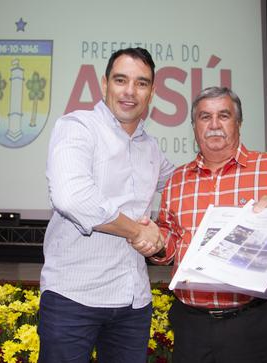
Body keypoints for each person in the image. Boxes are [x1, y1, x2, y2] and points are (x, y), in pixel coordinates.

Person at [151, 86, 267, 363]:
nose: (213, 125)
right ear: (194, 125)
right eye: (204, 116)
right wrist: (155, 241)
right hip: (190, 324)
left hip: (250, 324)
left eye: (223, 115)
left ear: (239, 122)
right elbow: (171, 245)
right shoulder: (177, 180)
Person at [38, 47, 175, 363]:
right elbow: (71, 197)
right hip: (73, 299)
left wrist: (256, 198)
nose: (130, 91)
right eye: (121, 80)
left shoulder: (151, 147)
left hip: (132, 303)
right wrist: (135, 232)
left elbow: (187, 186)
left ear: (151, 92)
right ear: (104, 84)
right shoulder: (78, 127)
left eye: (141, 83)